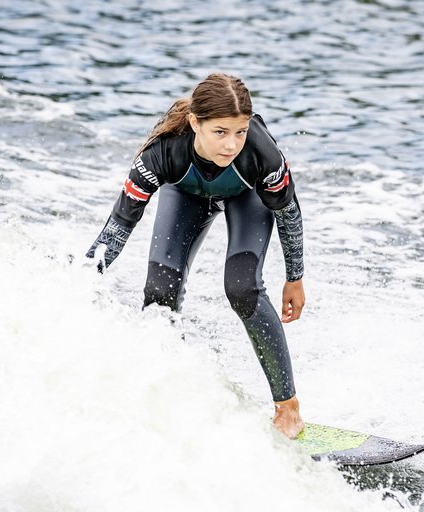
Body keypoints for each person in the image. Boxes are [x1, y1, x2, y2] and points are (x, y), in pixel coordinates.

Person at [86, 73, 305, 439]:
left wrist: (295, 277)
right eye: (220, 132)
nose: (232, 144)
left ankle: (288, 408)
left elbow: (289, 214)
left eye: (240, 131)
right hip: (184, 195)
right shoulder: (161, 153)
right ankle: (172, 393)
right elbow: (119, 225)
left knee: (242, 287)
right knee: (159, 292)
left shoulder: (262, 154)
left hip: (246, 197)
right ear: (195, 123)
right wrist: (79, 281)